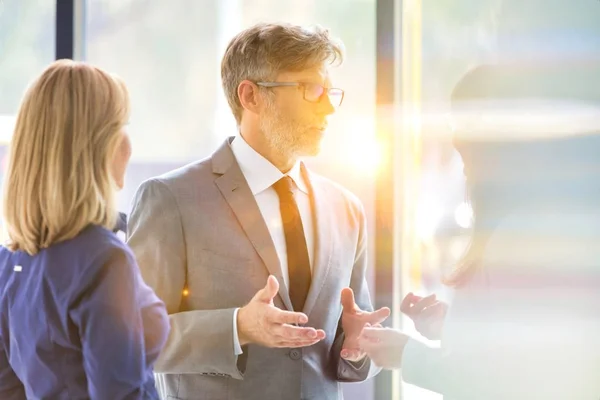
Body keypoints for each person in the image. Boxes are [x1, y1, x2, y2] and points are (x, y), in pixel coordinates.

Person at [127, 22, 389, 400]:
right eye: (310, 89)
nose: (329, 106)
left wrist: (358, 346)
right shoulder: (170, 199)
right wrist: (237, 327)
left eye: (330, 91)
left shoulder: (346, 209)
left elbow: (348, 339)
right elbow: (134, 336)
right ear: (250, 96)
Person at [359, 60, 600, 399]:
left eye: (466, 124)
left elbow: (506, 377)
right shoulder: (526, 224)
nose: (456, 141)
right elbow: (507, 346)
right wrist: (450, 326)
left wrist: (405, 353)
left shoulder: (523, 235)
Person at [0, 60, 170, 399]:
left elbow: (9, 390)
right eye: (122, 126)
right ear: (100, 147)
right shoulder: (104, 260)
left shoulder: (8, 263)